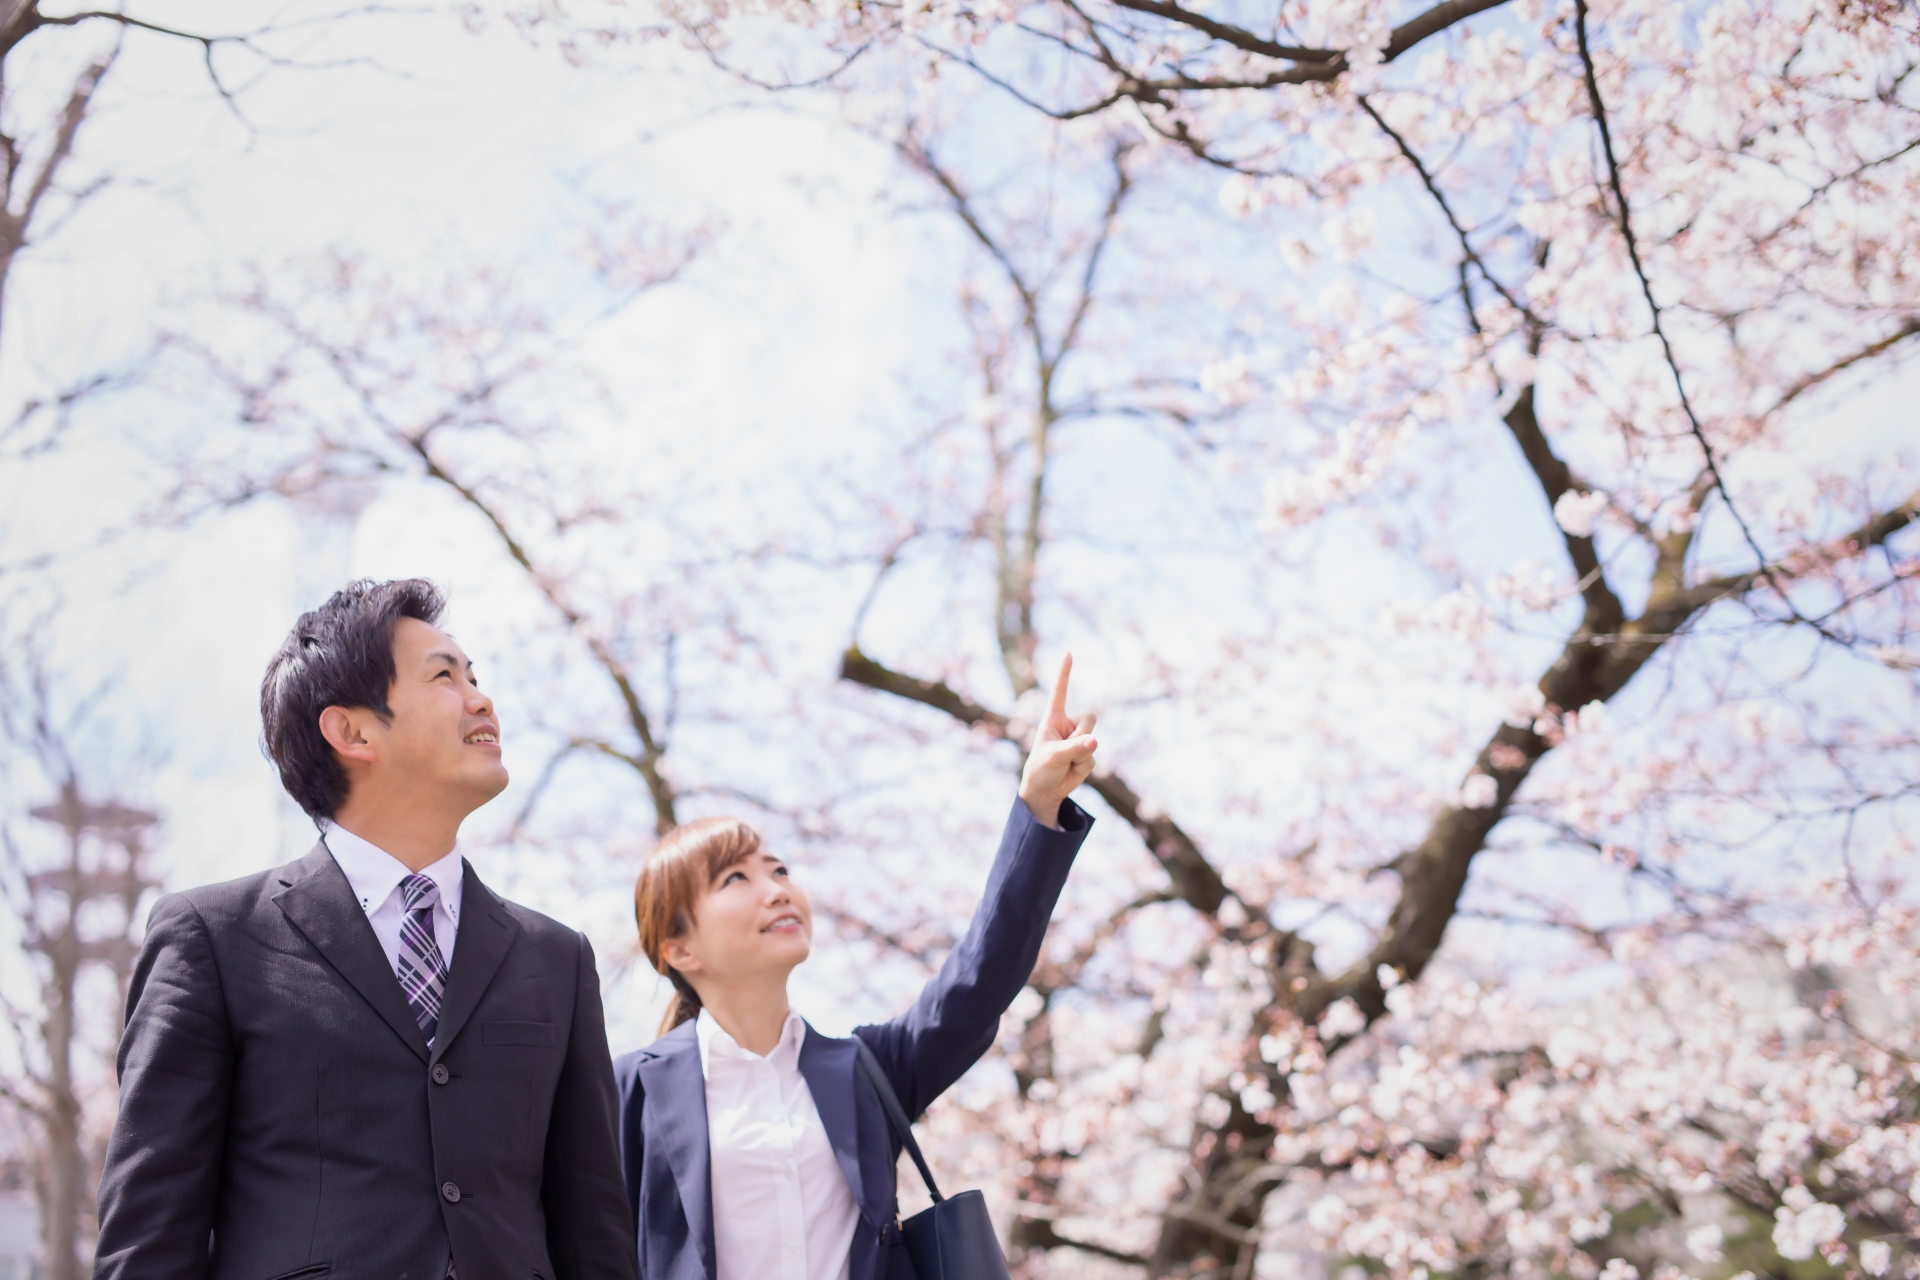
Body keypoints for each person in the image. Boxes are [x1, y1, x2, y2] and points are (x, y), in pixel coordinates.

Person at [94, 579, 636, 1280]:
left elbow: (594, 1234)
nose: (480, 698)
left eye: (476, 676)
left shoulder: (556, 959)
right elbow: (148, 1238)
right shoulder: (214, 940)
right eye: (445, 675)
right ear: (351, 731)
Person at [615, 653, 1099, 1280]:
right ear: (679, 950)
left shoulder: (866, 1071)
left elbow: (980, 979)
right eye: (736, 877)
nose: (777, 889)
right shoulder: (627, 1093)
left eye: (780, 869)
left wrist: (1037, 806)